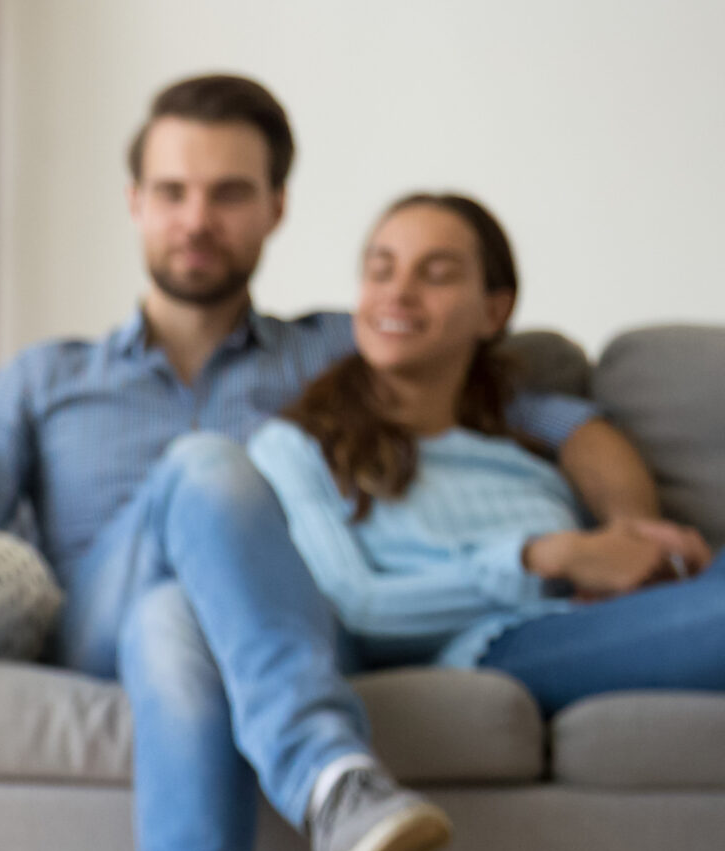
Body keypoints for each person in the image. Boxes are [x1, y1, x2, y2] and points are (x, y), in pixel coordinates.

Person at [0, 74, 668, 851]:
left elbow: (558, 411)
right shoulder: (48, 377)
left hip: (249, 637)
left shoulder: (339, 352)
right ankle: (326, 774)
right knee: (200, 476)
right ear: (135, 203)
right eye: (171, 191)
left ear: (276, 208)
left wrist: (629, 525)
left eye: (227, 193)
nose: (196, 219)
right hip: (97, 622)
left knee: (181, 625)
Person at [250, 192, 718, 710]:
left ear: (493, 311)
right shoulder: (294, 447)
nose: (398, 293)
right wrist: (548, 558)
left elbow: (603, 534)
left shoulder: (524, 452)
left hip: (599, 618)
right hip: (498, 646)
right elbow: (358, 605)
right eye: (381, 271)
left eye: (436, 274)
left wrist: (647, 555)